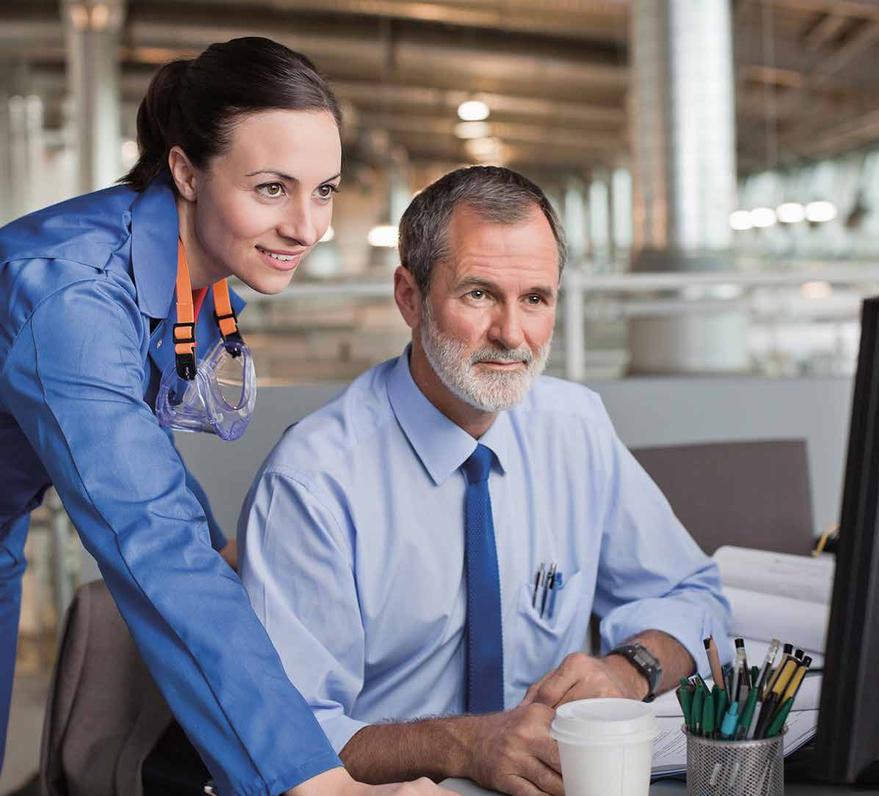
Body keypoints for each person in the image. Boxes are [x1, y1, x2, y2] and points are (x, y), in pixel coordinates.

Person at [0, 37, 446, 796]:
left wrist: (228, 553)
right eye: (273, 188)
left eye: (325, 190)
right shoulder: (72, 301)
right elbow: (150, 543)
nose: (307, 227)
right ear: (185, 171)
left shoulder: (199, 275)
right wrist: (314, 781)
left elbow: (142, 462)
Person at [238, 166, 732, 795]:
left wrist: (627, 670)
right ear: (410, 298)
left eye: (535, 298)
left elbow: (695, 593)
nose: (511, 333)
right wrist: (466, 745)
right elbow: (286, 735)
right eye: (478, 294)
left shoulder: (574, 426)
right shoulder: (313, 481)